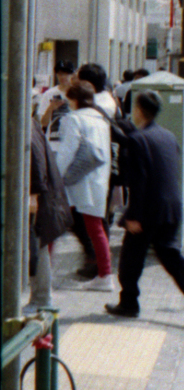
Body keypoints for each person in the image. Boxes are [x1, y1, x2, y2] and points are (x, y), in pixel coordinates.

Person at [105, 91, 184, 326]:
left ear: (139, 110)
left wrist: (133, 216)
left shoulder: (137, 140)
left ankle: (129, 303)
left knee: (130, 259)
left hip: (148, 210)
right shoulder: (168, 136)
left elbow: (138, 181)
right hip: (172, 206)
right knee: (169, 254)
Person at [57, 81, 114, 290]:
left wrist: (54, 175)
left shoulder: (73, 120)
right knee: (95, 227)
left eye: (69, 98)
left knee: (52, 224)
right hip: (97, 180)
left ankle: (40, 276)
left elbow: (66, 152)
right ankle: (105, 274)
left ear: (75, 99)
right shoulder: (102, 119)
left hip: (75, 181)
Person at [27, 118, 73, 313]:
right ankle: (40, 298)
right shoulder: (27, 122)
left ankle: (41, 299)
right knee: (36, 244)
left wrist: (33, 195)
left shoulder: (23, 122)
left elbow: (36, 159)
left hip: (36, 198)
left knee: (36, 244)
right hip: (38, 196)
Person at [38, 60, 76, 150]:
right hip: (53, 145)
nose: (63, 77)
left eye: (67, 73)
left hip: (72, 144)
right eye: (60, 74)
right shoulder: (49, 94)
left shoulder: (78, 94)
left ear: (73, 74)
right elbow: (43, 123)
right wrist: (51, 108)